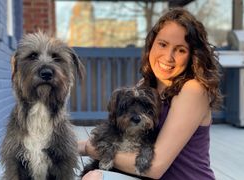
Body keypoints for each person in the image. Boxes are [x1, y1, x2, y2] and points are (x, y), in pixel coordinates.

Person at [78, 7, 222, 180]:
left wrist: (90, 149)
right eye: (162, 44)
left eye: (180, 50)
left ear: (192, 56)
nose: (169, 57)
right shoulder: (146, 87)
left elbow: (154, 167)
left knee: (95, 178)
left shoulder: (193, 90)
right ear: (151, 44)